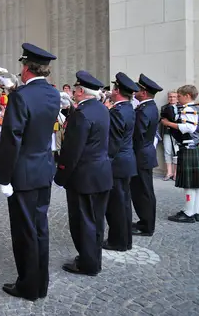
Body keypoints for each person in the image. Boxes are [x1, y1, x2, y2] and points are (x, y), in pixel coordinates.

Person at [0, 43, 60, 301]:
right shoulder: (53, 95)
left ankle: (28, 286)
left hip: (22, 173)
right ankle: (40, 283)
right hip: (43, 169)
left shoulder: (21, 97)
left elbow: (12, 138)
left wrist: (4, 178)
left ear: (25, 68)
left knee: (24, 232)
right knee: (40, 228)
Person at [54, 71, 112, 276]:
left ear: (80, 91)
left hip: (84, 176)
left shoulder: (82, 114)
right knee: (96, 221)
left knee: (83, 222)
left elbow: (72, 150)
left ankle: (87, 264)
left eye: (76, 90)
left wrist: (60, 175)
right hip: (102, 173)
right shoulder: (102, 109)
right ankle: (93, 259)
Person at [162, 85, 199, 223]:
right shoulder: (196, 107)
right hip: (195, 148)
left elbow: (188, 128)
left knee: (189, 184)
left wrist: (168, 123)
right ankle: (195, 211)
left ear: (187, 96)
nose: (177, 99)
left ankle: (188, 213)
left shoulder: (188, 109)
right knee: (196, 184)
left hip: (189, 148)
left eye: (179, 96)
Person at [103, 73, 139, 252]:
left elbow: (113, 142)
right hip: (126, 162)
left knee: (116, 206)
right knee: (123, 204)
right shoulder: (128, 108)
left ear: (117, 91)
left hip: (117, 164)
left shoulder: (117, 112)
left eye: (113, 88)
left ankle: (117, 241)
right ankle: (125, 240)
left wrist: (104, 162)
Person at [131, 74, 162, 237]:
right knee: (144, 190)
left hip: (141, 155)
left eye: (138, 88)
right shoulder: (149, 107)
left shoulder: (144, 110)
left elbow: (137, 135)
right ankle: (145, 222)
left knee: (143, 191)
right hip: (145, 153)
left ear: (143, 92)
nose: (135, 90)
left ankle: (146, 225)